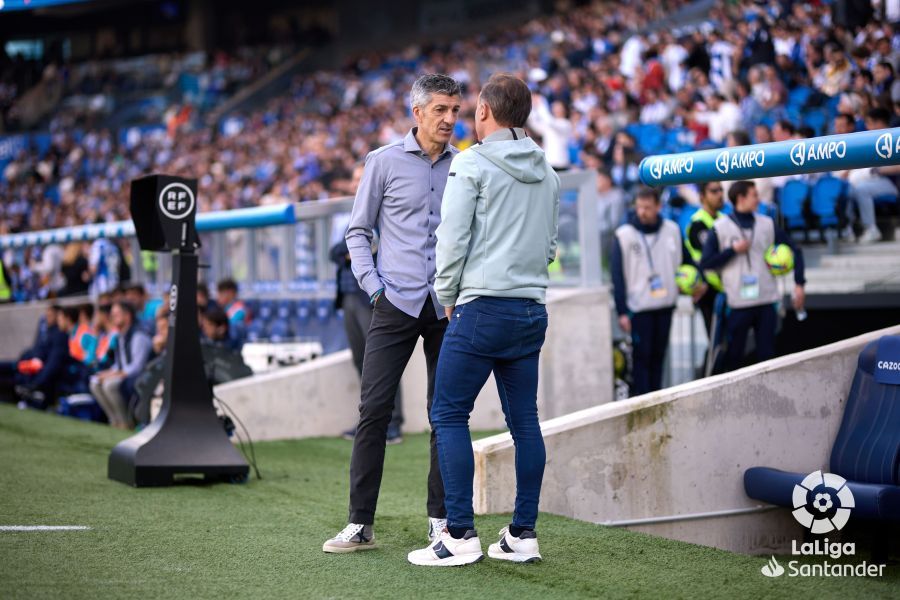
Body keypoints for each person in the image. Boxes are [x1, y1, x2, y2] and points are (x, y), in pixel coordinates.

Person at [407, 73, 560, 567]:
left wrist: (447, 295)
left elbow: (450, 240)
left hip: (480, 307)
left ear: (485, 113)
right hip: (531, 309)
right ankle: (522, 534)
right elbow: (551, 246)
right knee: (525, 422)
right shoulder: (549, 171)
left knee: (448, 414)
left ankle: (459, 534)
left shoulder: (470, 163)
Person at [322, 73, 461, 554]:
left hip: (448, 307)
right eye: (440, 110)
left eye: (455, 110)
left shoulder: (466, 167)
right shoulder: (382, 163)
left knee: (444, 415)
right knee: (374, 412)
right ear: (417, 113)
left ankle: (441, 523)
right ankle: (360, 523)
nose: (449, 119)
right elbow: (357, 232)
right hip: (394, 303)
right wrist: (374, 288)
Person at [700, 181, 806, 372]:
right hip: (738, 303)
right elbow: (706, 263)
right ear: (740, 198)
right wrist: (732, 250)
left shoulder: (767, 223)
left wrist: (799, 283)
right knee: (734, 358)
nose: (758, 199)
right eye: (754, 195)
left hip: (766, 300)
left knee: (768, 357)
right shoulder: (720, 227)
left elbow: (795, 250)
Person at [611, 187, 696, 396]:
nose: (642, 212)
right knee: (642, 358)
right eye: (639, 207)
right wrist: (622, 310)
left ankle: (657, 400)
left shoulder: (672, 230)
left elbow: (687, 262)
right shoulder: (624, 235)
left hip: (666, 305)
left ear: (658, 207)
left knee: (659, 356)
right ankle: (642, 403)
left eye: (647, 207)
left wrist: (695, 283)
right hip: (639, 309)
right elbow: (617, 277)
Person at [330, 238, 404, 444]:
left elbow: (376, 252)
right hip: (349, 299)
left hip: (369, 299)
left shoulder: (379, 225)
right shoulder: (355, 227)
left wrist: (356, 253)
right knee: (361, 361)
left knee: (384, 362)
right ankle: (369, 420)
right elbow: (334, 252)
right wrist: (350, 253)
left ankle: (393, 422)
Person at [89, 301, 152, 429]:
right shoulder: (119, 336)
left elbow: (137, 367)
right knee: (95, 381)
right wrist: (107, 373)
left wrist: (114, 375)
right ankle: (114, 420)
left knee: (109, 384)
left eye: (116, 315)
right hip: (125, 374)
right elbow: (119, 364)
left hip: (141, 376)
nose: (112, 318)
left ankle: (125, 422)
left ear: (127, 316)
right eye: (112, 315)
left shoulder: (139, 335)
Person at [685, 181, 725, 335]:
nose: (720, 194)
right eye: (714, 191)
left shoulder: (723, 218)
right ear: (702, 196)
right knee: (717, 341)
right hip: (708, 288)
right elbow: (710, 256)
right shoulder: (698, 224)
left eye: (721, 190)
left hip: (726, 285)